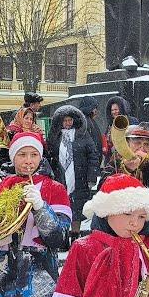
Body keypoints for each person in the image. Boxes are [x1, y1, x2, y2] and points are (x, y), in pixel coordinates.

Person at [0, 132, 72, 297]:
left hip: (39, 283)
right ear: (13, 157)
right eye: (22, 155)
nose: (28, 161)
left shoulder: (55, 189)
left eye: (33, 155)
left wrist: (42, 207)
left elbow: (58, 238)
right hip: (3, 283)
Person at [46, 105, 100, 249]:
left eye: (70, 120)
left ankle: (75, 236)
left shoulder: (83, 135)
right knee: (61, 208)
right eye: (65, 120)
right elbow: (49, 155)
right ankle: (63, 237)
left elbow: (93, 156)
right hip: (60, 178)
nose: (68, 123)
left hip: (80, 179)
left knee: (77, 209)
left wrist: (92, 176)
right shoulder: (54, 136)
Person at [0, 107, 44, 175]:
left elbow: (42, 155)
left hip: (33, 173)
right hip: (14, 174)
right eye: (26, 118)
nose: (29, 121)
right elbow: (1, 159)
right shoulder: (10, 134)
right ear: (20, 118)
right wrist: (11, 172)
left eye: (31, 119)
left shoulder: (36, 133)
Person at [103, 95, 139, 166]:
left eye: (116, 109)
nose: (114, 112)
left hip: (127, 157)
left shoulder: (132, 121)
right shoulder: (110, 125)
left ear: (122, 108)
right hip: (113, 159)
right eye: (112, 110)